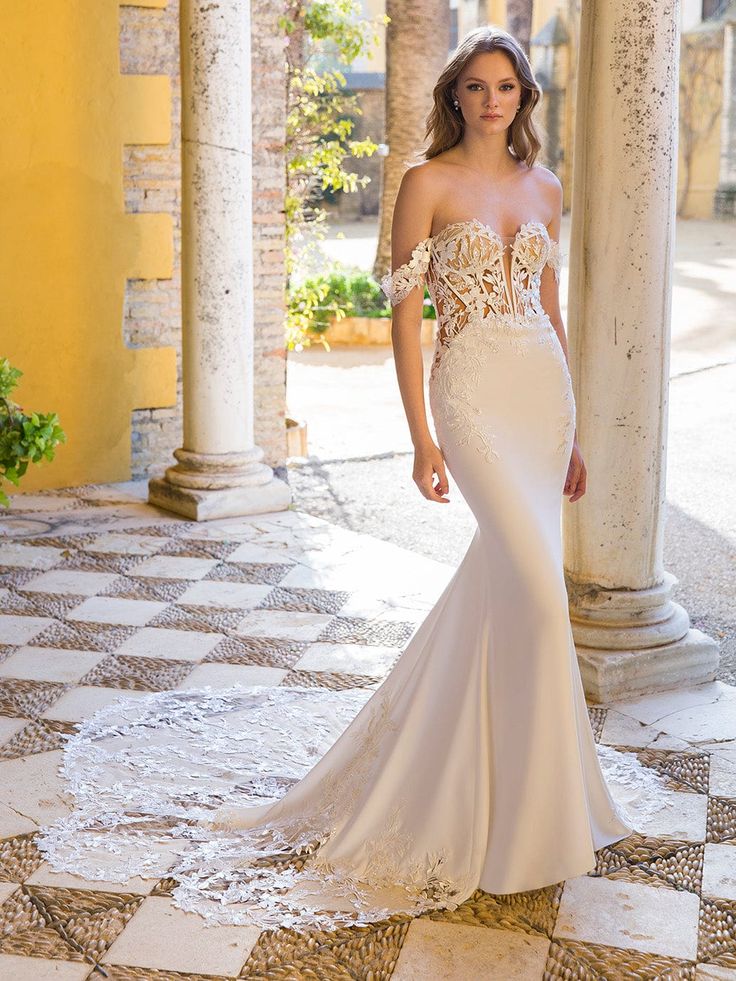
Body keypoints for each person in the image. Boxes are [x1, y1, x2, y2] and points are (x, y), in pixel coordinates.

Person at [38, 26, 667, 935]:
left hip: (541, 395)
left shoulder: (546, 187)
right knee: (532, 591)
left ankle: (523, 804)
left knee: (511, 595)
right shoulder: (427, 184)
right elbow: (409, 322)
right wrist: (422, 436)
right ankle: (502, 810)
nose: (494, 101)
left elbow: (549, 309)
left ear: (526, 100)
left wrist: (571, 436)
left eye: (509, 89)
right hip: (475, 397)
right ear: (455, 95)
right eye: (478, 87)